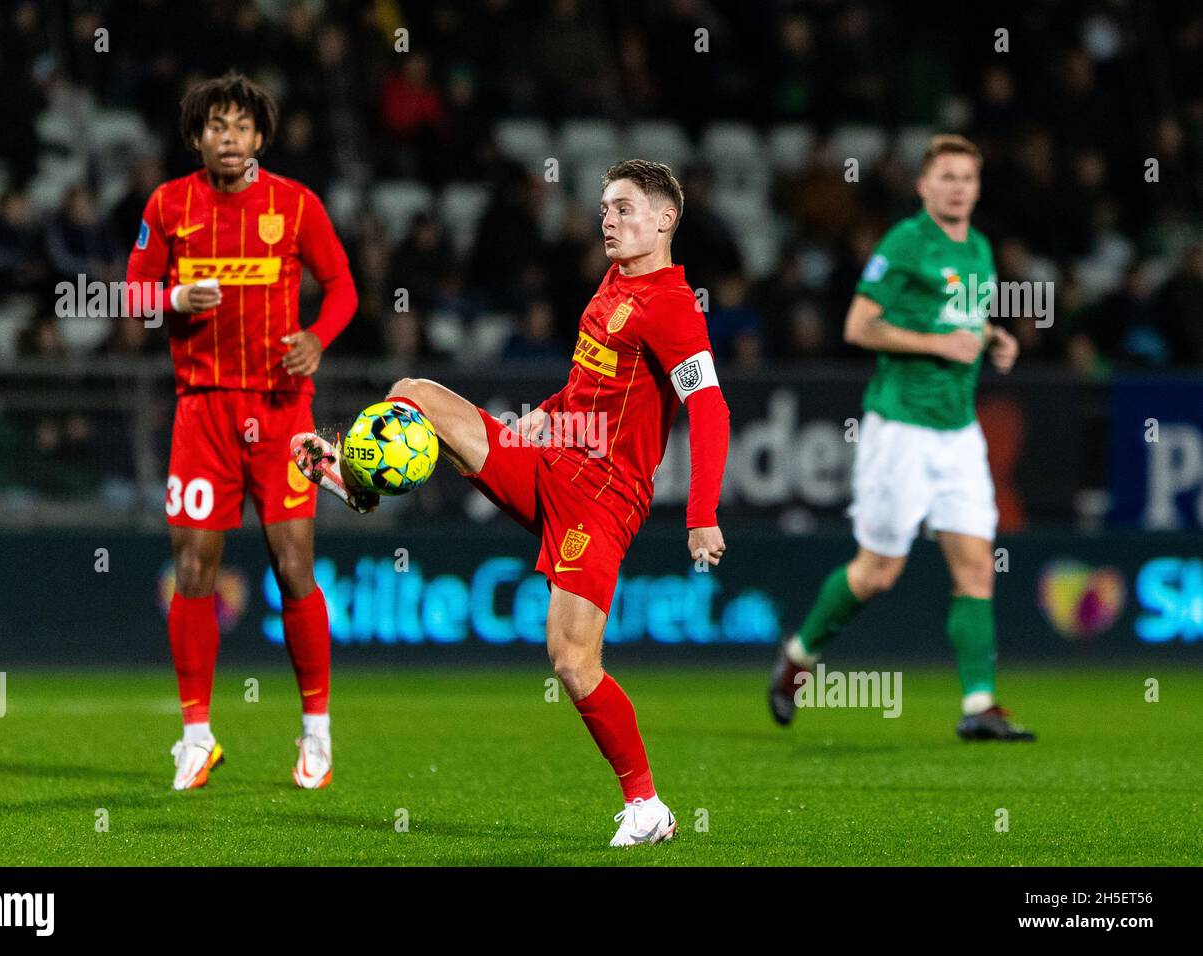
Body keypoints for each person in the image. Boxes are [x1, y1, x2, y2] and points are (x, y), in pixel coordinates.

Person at [295, 160, 731, 845]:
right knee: (412, 392)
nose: (607, 219)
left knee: (570, 660)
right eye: (605, 209)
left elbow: (709, 407)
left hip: (603, 498)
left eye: (622, 209)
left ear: (665, 219)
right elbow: (594, 382)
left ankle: (646, 806)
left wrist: (701, 511)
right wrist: (549, 413)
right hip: (551, 461)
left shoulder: (673, 308)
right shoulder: (616, 280)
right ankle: (358, 482)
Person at [125, 72, 358, 790]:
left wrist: (318, 338)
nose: (230, 139)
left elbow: (344, 285)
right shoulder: (168, 205)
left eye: (241, 127)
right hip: (202, 412)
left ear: (261, 136)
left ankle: (315, 731)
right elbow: (132, 295)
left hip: (283, 412)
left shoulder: (295, 205)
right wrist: (172, 297)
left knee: (293, 568)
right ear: (197, 138)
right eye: (216, 127)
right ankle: (196, 736)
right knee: (193, 570)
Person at [768, 135, 1034, 742]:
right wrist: (938, 345)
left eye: (967, 177)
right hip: (900, 431)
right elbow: (859, 325)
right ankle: (799, 657)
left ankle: (978, 705)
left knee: (975, 570)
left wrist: (993, 337)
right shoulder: (906, 242)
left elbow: (963, 314)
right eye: (946, 176)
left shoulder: (980, 250)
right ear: (924, 186)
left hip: (959, 433)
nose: (957, 187)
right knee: (878, 573)